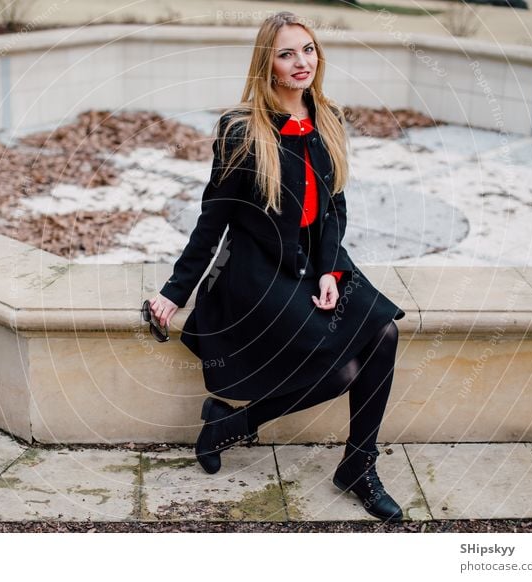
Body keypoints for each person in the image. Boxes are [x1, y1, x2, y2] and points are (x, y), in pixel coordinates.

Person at [147, 11, 406, 522]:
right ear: (267, 64)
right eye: (287, 53)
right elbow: (213, 217)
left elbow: (335, 207)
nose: (301, 62)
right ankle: (229, 425)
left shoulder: (327, 116)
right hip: (259, 272)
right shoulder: (242, 129)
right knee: (338, 373)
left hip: (318, 262)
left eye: (307, 50)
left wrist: (331, 270)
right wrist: (175, 293)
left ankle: (358, 463)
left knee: (385, 336)